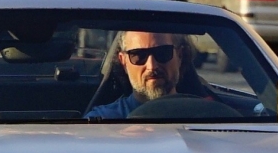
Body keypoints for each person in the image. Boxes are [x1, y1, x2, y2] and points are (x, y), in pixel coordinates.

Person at [85, 29, 265, 121]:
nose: (152, 65)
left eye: (162, 53)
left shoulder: (211, 117)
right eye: (138, 55)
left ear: (180, 55)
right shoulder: (101, 123)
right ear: (123, 61)